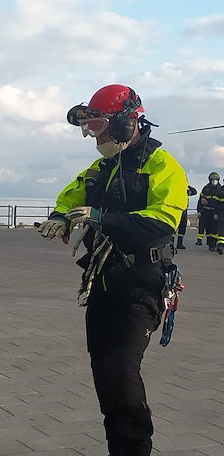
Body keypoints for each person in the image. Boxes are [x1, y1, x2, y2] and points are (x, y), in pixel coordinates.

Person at [37, 84, 187, 456]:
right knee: (104, 373)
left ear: (124, 124)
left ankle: (135, 449)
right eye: (88, 126)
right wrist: (60, 216)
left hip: (141, 284)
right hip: (104, 282)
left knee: (121, 371)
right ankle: (118, 448)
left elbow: (162, 222)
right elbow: (72, 194)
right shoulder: (101, 167)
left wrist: (103, 217)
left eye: (98, 125)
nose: (92, 134)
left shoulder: (161, 166)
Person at [195, 172, 221, 250]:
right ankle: (210, 244)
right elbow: (200, 200)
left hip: (215, 212)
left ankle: (214, 244)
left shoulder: (220, 189)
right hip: (206, 211)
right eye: (213, 179)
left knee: (215, 229)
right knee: (208, 229)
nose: (214, 181)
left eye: (216, 179)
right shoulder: (206, 188)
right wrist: (199, 211)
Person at [175, 184, 197, 249]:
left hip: (184, 210)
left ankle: (179, 243)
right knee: (174, 227)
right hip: (176, 209)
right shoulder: (176, 190)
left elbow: (194, 192)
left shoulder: (186, 191)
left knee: (182, 227)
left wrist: (188, 186)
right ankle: (171, 243)